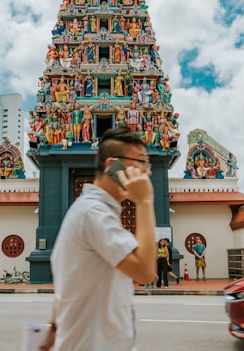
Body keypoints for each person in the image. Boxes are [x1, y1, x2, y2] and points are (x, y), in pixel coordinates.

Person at [39, 127, 156, 351]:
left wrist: (52, 329)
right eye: (141, 161)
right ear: (113, 165)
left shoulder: (87, 210)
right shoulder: (94, 213)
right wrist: (144, 202)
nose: (147, 171)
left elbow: (67, 283)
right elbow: (145, 272)